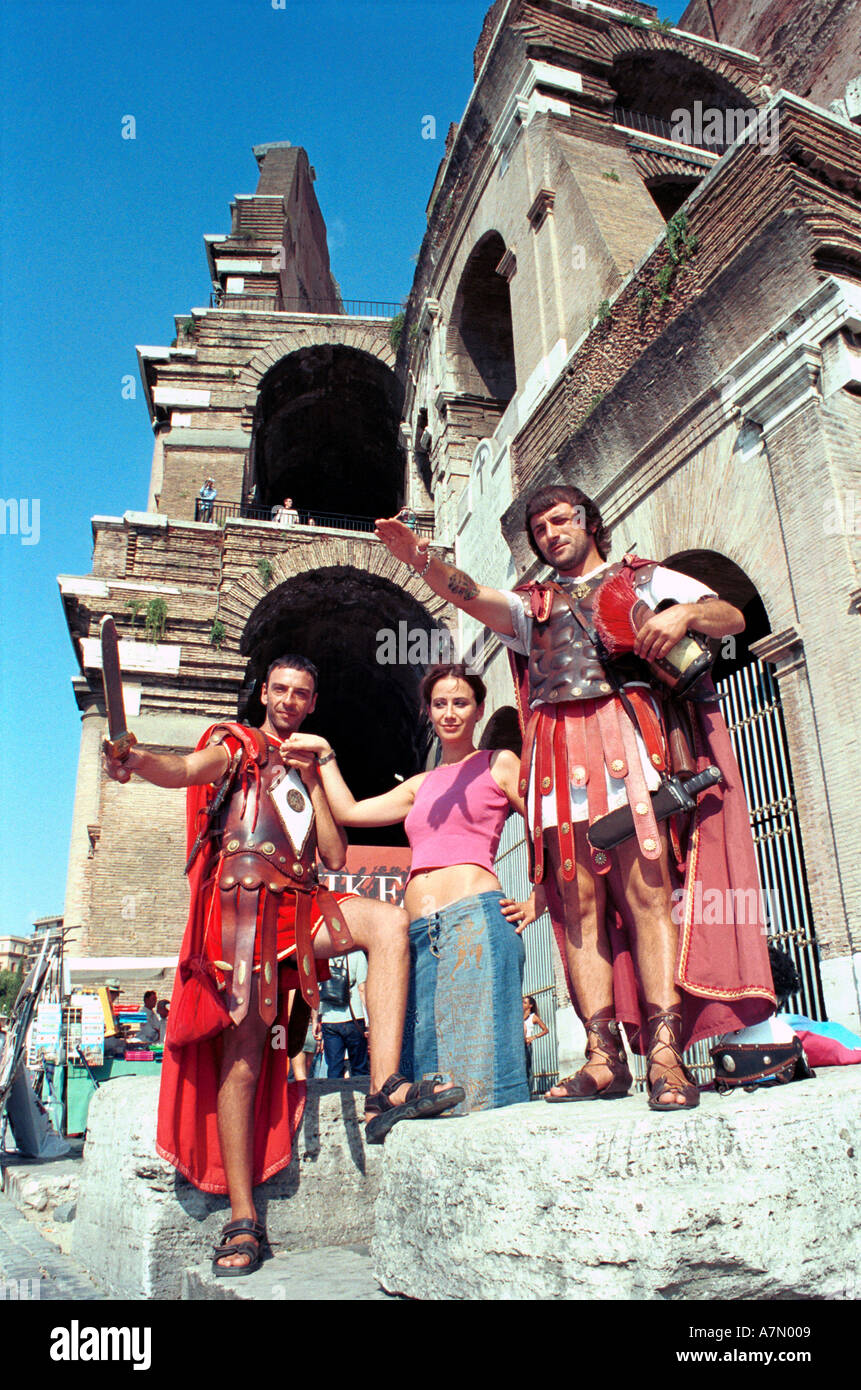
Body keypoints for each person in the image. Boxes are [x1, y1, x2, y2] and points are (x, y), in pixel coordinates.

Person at [375, 491, 775, 1112]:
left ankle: (667, 1056)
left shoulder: (643, 577)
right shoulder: (531, 604)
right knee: (578, 906)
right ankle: (602, 1057)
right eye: (539, 528)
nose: (551, 533)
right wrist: (422, 561)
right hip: (556, 756)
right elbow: (468, 593)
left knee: (647, 898)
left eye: (561, 520)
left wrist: (683, 616)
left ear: (589, 521)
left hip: (624, 737)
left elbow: (731, 618)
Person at [103, 653, 463, 1277]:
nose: (290, 701)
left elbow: (333, 850)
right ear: (264, 693)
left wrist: (322, 770)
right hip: (243, 914)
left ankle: (383, 1090)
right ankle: (243, 1217)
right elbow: (184, 768)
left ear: (312, 702)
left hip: (300, 906)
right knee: (243, 1057)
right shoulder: (235, 743)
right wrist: (137, 761)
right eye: (281, 690)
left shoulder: (309, 763)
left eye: (302, 693)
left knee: (387, 922)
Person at [284, 663, 539, 1113]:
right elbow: (349, 811)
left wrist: (540, 897)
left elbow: (547, 825)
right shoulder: (420, 785)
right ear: (428, 711)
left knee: (482, 1064)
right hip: (417, 933)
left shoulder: (499, 762)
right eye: (440, 704)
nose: (450, 713)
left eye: (461, 703)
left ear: (478, 709)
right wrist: (324, 755)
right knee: (424, 1065)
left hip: (474, 919)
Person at [317, 953, 370, 1078]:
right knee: (359, 1067)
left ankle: (335, 1094)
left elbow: (316, 991)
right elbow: (362, 989)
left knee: (334, 1068)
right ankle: (361, 1096)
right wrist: (369, 1020)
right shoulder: (357, 955)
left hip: (329, 1018)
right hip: (354, 1018)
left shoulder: (322, 956)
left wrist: (315, 1020)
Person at [523, 995, 549, 1088]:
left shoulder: (533, 1017)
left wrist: (533, 1037)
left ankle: (529, 1092)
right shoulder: (519, 1016)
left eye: (525, 1002)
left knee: (528, 1068)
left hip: (527, 1045)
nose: (522, 1004)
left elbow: (546, 1030)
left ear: (530, 1005)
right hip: (518, 1045)